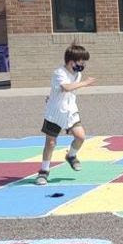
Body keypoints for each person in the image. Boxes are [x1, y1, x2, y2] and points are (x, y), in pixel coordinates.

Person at [35, 44, 97, 186]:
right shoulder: (59, 73)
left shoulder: (78, 74)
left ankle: (71, 155)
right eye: (81, 61)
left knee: (80, 136)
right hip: (55, 113)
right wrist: (85, 83)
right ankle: (44, 171)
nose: (83, 65)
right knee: (51, 143)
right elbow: (66, 87)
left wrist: (81, 82)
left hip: (70, 111)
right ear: (71, 61)